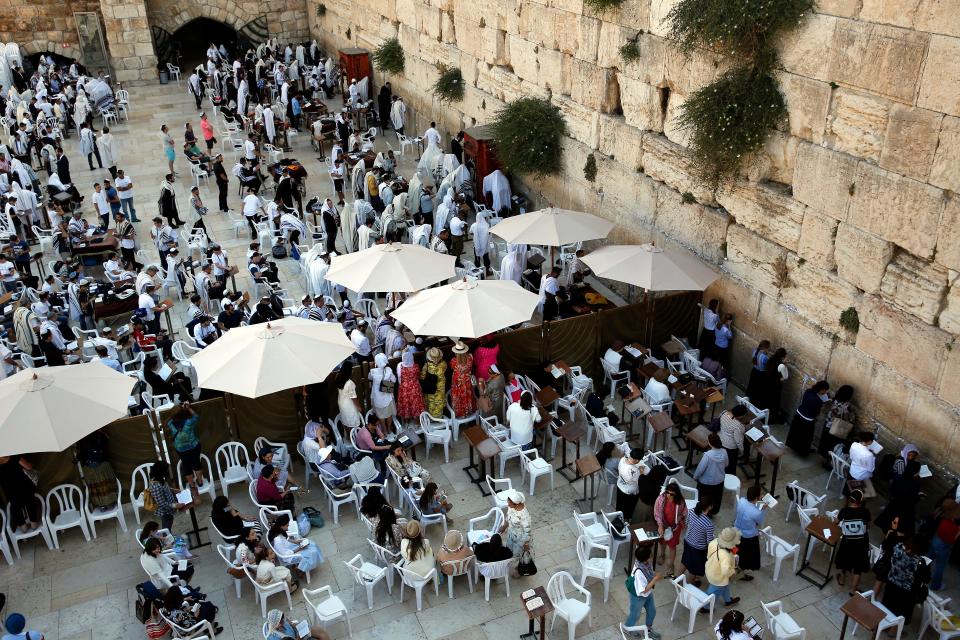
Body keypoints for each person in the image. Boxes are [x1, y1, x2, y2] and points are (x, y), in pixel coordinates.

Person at [881, 537, 930, 625]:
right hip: (905, 591)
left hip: (891, 583)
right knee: (898, 613)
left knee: (887, 607)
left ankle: (884, 625)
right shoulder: (919, 561)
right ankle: (893, 632)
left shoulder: (897, 547)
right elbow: (926, 578)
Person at [832, 488, 872, 595]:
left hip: (848, 542)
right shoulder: (865, 512)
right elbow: (867, 526)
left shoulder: (844, 511)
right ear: (861, 500)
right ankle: (853, 590)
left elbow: (836, 522)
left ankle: (842, 580)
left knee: (845, 561)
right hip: (861, 543)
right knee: (858, 567)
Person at [625, 546, 662, 638]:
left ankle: (648, 629)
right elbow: (644, 589)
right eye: (650, 555)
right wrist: (655, 579)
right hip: (638, 597)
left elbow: (649, 572)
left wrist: (654, 575)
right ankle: (628, 628)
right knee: (635, 614)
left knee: (652, 611)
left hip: (648, 594)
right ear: (646, 559)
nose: (651, 556)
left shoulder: (644, 563)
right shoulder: (639, 573)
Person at [75, 430, 118, 511]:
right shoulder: (98, 433)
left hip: (91, 466)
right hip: (100, 464)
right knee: (104, 485)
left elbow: (80, 452)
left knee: (97, 487)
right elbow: (106, 440)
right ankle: (109, 503)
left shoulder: (80, 436)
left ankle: (102, 505)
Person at [785, 380, 830, 456]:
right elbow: (815, 413)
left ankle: (793, 446)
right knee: (805, 438)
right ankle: (802, 451)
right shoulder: (818, 401)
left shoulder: (808, 391)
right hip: (807, 421)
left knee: (796, 433)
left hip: (799, 415)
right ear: (822, 390)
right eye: (825, 391)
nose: (825, 393)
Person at [732, 485, 767, 581]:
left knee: (736, 552)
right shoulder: (756, 512)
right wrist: (763, 509)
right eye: (761, 495)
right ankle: (740, 573)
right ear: (756, 498)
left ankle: (735, 568)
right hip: (747, 537)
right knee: (746, 557)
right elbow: (760, 521)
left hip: (736, 530)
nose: (762, 495)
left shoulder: (742, 501)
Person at [654, 481, 688, 576]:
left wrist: (680, 517)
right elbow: (657, 513)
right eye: (667, 492)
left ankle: (670, 565)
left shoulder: (681, 501)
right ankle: (662, 554)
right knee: (662, 542)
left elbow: (685, 512)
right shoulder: (661, 499)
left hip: (675, 528)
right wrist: (660, 525)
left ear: (676, 494)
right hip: (664, 525)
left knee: (672, 546)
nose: (668, 495)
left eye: (671, 494)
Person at [0, 455, 41, 532]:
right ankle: (34, 525)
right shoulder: (14, 458)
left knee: (15, 508)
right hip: (24, 488)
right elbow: (29, 467)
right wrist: (31, 463)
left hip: (11, 493)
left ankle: (24, 528)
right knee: (30, 503)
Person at [681, 497, 715, 587]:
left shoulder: (691, 511)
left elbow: (686, 523)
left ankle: (677, 578)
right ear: (710, 507)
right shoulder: (708, 524)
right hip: (698, 549)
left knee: (685, 560)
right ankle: (687, 587)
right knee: (694, 569)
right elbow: (709, 541)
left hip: (687, 541)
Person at [148, 461, 191, 531]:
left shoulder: (160, 479)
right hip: (165, 511)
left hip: (169, 509)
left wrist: (173, 490)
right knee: (166, 527)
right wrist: (175, 505)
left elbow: (164, 487)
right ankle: (166, 538)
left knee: (170, 521)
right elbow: (161, 503)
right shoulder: (155, 487)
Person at [704, 527, 741, 609]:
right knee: (712, 593)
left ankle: (728, 601)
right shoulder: (726, 556)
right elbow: (725, 572)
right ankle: (706, 608)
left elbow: (708, 555)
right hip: (718, 577)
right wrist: (733, 571)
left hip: (710, 568)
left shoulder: (714, 542)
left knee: (725, 585)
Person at [168, 402, 203, 486]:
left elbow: (173, 418)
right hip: (194, 446)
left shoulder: (170, 424)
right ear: (183, 413)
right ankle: (200, 482)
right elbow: (196, 416)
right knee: (196, 463)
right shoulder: (189, 422)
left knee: (186, 465)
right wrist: (188, 408)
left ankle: (191, 484)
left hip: (180, 449)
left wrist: (180, 409)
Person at [928, 499, 960, 591]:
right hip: (944, 546)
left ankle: (917, 573)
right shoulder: (953, 527)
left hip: (935, 540)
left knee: (928, 558)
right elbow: (951, 540)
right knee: (940, 566)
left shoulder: (942, 518)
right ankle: (935, 585)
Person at [693, 433, 728, 511]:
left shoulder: (707, 456)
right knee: (715, 499)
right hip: (719, 481)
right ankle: (712, 512)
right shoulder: (724, 452)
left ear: (710, 443)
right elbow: (726, 464)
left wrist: (695, 477)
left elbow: (700, 469)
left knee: (703, 500)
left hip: (706, 483)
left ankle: (702, 513)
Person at [396, 348, 425, 422]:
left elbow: (399, 377)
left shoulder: (400, 366)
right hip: (414, 387)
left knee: (406, 403)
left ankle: (406, 422)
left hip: (404, 388)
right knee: (416, 403)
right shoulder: (415, 366)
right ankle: (417, 422)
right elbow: (418, 375)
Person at [616, 448, 646, 520]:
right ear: (637, 460)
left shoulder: (622, 459)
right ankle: (626, 520)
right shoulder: (633, 471)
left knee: (620, 505)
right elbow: (642, 480)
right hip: (631, 492)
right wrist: (641, 471)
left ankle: (619, 517)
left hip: (620, 486)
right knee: (629, 508)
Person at [719, 404, 748, 475]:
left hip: (720, 439)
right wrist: (742, 451)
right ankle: (730, 479)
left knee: (723, 461)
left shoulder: (724, 413)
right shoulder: (738, 426)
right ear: (741, 416)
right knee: (731, 465)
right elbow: (739, 441)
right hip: (730, 447)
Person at [265, 609, 331, 640]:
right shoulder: (276, 638)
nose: (284, 622)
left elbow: (291, 624)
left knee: (320, 632)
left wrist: (299, 625)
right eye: (281, 622)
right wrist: (299, 637)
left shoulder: (281, 620)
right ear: (276, 623)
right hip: (297, 638)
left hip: (297, 634)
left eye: (283, 619)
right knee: (320, 635)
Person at [501, 490, 532, 557]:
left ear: (517, 504)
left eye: (509, 503)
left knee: (516, 555)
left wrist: (525, 544)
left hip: (519, 539)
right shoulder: (511, 507)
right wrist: (504, 527)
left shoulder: (524, 516)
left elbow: (527, 532)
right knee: (508, 551)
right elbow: (508, 517)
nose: (508, 504)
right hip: (511, 534)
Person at [450, 341, 476, 417]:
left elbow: (452, 368)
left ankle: (461, 414)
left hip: (458, 383)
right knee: (468, 395)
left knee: (459, 397)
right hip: (467, 381)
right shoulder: (470, 357)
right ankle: (468, 411)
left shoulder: (453, 361)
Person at [369, 352, 397, 420]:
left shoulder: (372, 372)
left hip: (377, 396)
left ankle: (384, 430)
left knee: (380, 415)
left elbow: (369, 378)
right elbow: (394, 380)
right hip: (387, 395)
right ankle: (389, 429)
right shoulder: (389, 370)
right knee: (389, 414)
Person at [848, 431, 877, 495]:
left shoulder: (854, 444)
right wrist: (873, 457)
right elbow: (871, 469)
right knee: (857, 495)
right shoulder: (869, 455)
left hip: (852, 471)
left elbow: (851, 457)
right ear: (869, 441)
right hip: (860, 476)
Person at [421, 347, 447, 418]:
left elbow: (422, 377)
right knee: (439, 403)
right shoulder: (443, 364)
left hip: (431, 389)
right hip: (440, 388)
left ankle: (432, 419)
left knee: (431, 404)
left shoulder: (427, 365)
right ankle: (439, 418)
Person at [335, 363, 363, 428]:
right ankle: (353, 435)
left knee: (345, 420)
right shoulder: (349, 383)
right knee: (352, 420)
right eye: (351, 369)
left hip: (341, 401)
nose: (352, 370)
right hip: (348, 404)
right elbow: (354, 398)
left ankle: (348, 436)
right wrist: (359, 407)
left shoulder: (337, 377)